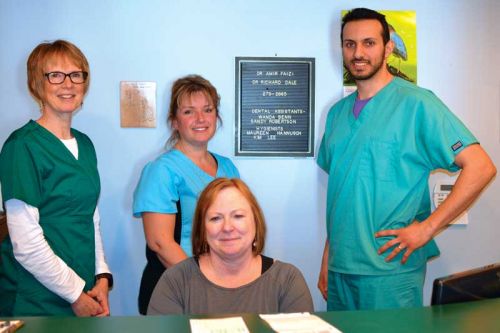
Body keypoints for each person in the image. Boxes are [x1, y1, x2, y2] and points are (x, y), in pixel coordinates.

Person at [317, 8, 496, 311]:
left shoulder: (417, 103)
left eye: (369, 43)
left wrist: (427, 228)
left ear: (388, 48)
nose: (358, 52)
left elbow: (481, 167)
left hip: (390, 269)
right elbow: (342, 191)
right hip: (340, 269)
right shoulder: (336, 114)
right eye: (350, 44)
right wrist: (327, 258)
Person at [0, 40, 112, 316]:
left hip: (84, 286)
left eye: (76, 75)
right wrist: (75, 294)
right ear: (37, 84)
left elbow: (91, 217)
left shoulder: (85, 145)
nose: (68, 84)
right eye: (56, 75)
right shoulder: (21, 146)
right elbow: (25, 243)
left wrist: (101, 277)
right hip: (35, 297)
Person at [133, 75, 240, 315]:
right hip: (176, 290)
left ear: (216, 116)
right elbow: (160, 243)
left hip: (223, 285)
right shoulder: (162, 171)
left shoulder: (228, 168)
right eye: (189, 111)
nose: (201, 119)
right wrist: (204, 285)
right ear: (174, 121)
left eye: (208, 110)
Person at [147, 178, 314, 314]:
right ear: (202, 229)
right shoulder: (175, 281)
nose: (227, 227)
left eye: (238, 216)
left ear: (256, 223)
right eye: (215, 218)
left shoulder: (287, 281)